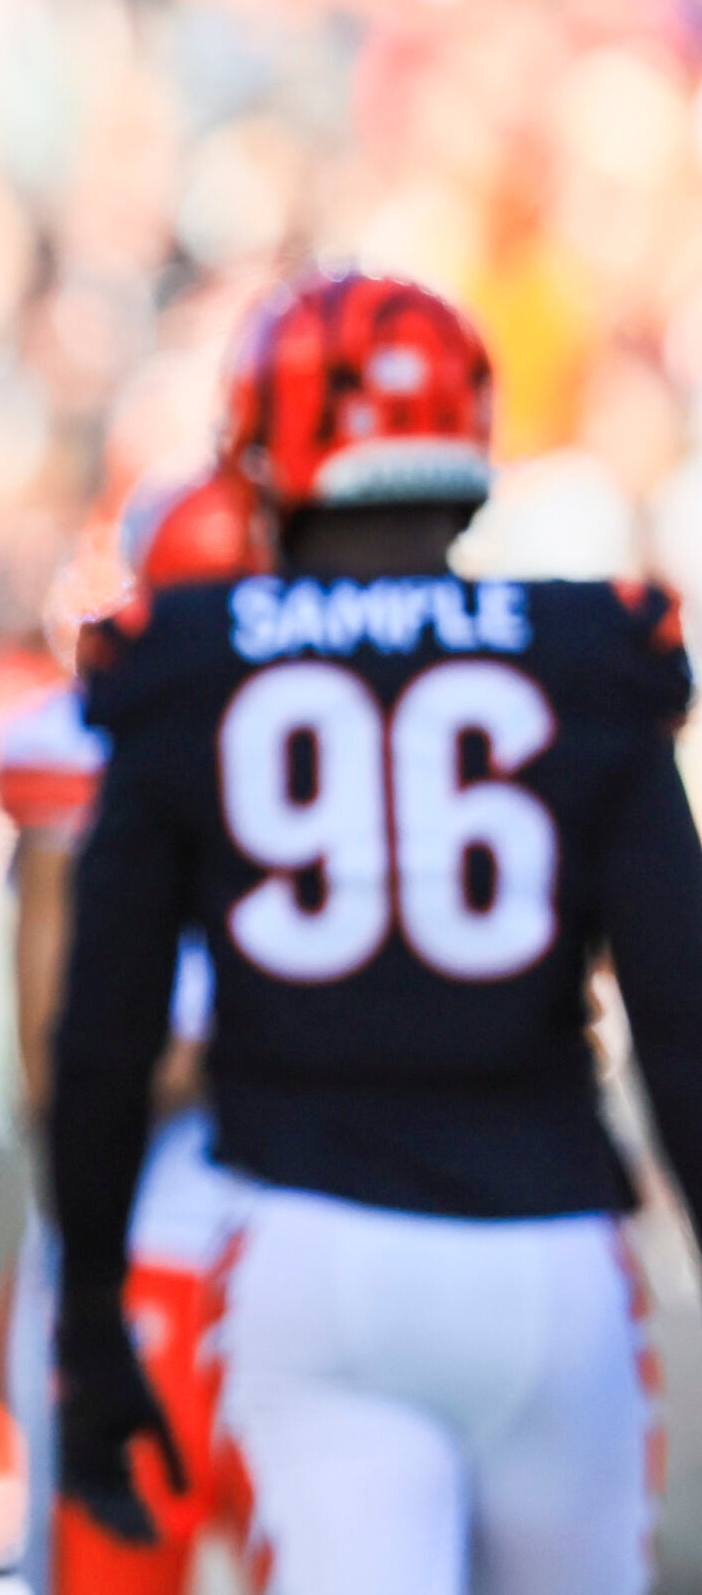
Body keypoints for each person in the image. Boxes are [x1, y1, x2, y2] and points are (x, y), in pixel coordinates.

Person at [49, 270, 702, 1594]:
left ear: (267, 456)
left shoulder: (191, 658)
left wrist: (91, 1324)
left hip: (316, 1248)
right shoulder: (587, 651)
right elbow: (683, 1020)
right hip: (550, 1249)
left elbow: (103, 1033)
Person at [0, 472, 266, 1594]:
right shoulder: (84, 751)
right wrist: (266, 1034)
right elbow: (52, 1071)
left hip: (296, 1245)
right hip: (146, 1244)